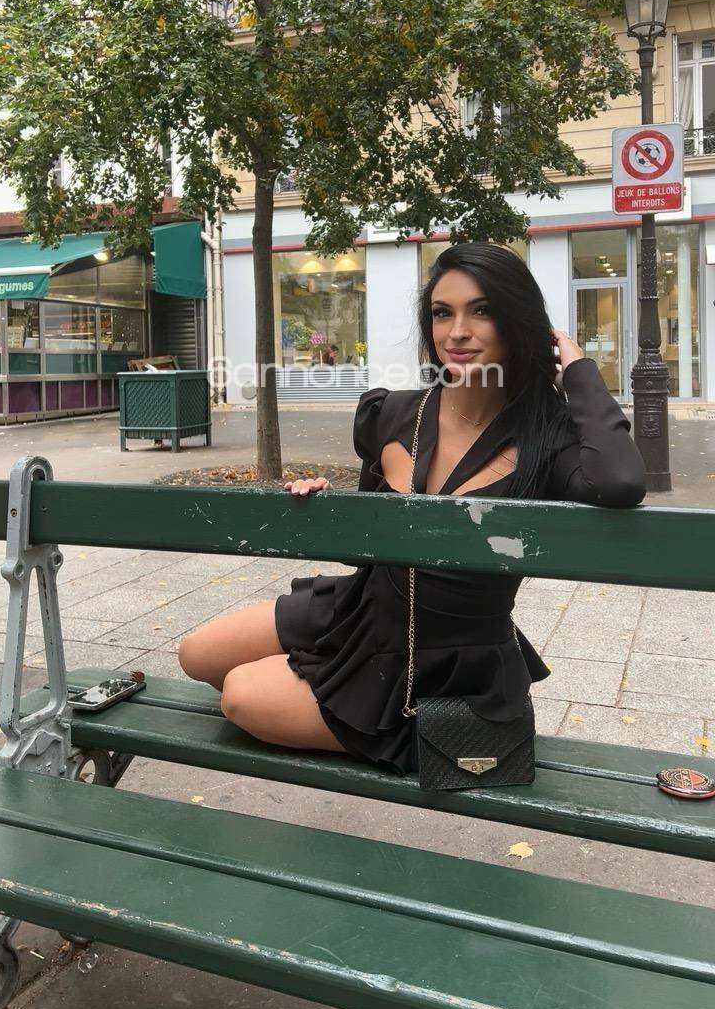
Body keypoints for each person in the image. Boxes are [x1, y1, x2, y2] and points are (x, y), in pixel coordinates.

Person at [179, 243, 646, 773]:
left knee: (241, 694)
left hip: (442, 653)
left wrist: (579, 370)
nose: (457, 332)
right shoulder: (392, 412)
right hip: (362, 606)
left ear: (519, 322)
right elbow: (367, 540)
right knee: (196, 654)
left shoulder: (547, 439)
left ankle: (381, 717)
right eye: (442, 313)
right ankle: (319, 682)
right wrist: (326, 503)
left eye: (482, 310)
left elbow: (621, 480)